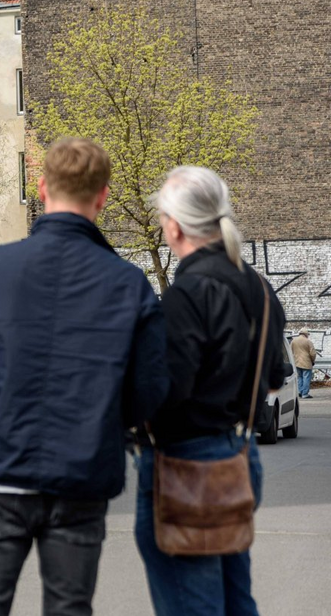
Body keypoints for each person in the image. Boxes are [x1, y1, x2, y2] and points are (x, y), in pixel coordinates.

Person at [0, 138, 169, 616]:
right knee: (70, 608)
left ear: (42, 187)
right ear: (103, 196)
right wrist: (105, 417)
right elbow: (152, 391)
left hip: (1, 473)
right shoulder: (128, 284)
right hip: (82, 475)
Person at [134, 166, 288, 616]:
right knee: (237, 601)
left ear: (175, 224)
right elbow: (276, 375)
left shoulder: (189, 293)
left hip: (188, 470)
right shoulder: (259, 286)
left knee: (192, 606)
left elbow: (168, 389)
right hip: (238, 458)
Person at [293, 328, 317, 399]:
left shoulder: (293, 341)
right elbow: (313, 353)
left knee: (299, 377)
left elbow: (291, 351)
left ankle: (300, 392)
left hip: (296, 362)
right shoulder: (308, 342)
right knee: (306, 378)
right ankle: (305, 394)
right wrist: (312, 361)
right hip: (306, 362)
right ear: (305, 334)